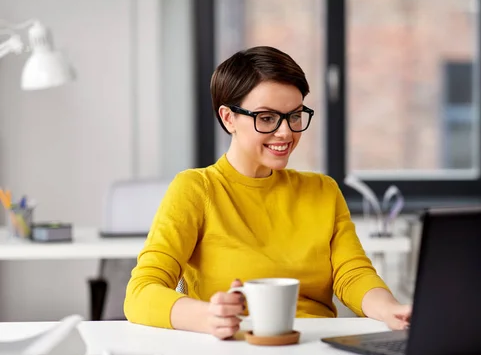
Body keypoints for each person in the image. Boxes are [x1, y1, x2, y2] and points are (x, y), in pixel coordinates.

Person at [123, 46, 412, 339]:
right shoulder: (197, 189)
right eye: (266, 118)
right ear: (228, 118)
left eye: (295, 115)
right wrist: (207, 316)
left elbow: (353, 275)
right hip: (238, 348)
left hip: (317, 346)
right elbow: (141, 293)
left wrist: (390, 309)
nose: (286, 132)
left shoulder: (323, 191)